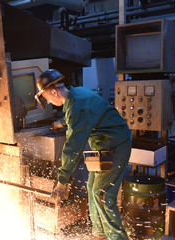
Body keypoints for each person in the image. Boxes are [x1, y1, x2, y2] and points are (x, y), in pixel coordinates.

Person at [35, 69, 131, 240]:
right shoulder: (77, 93)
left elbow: (73, 146)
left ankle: (117, 237)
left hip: (115, 145)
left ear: (54, 92)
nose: (48, 102)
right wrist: (62, 122)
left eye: (47, 98)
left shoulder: (76, 106)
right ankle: (99, 234)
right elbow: (83, 111)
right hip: (104, 146)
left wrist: (62, 180)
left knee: (103, 193)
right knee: (92, 187)